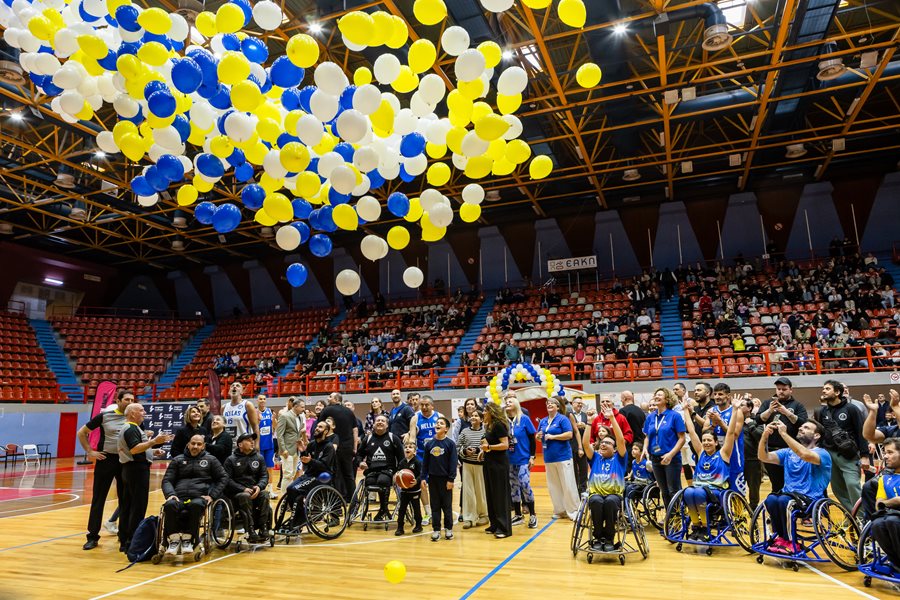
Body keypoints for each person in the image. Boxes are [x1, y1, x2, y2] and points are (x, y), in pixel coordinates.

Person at [758, 419, 831, 554]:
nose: (801, 428)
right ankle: (780, 538)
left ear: (816, 435)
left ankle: (791, 542)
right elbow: (764, 457)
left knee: (785, 501)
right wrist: (765, 435)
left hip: (810, 499)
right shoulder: (788, 452)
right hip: (789, 495)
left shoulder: (823, 453)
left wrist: (784, 434)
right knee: (771, 499)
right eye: (801, 427)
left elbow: (804, 455)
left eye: (806, 428)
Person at [680, 394, 745, 541]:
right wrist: (685, 411)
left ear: (716, 442)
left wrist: (735, 410)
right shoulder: (700, 452)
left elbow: (730, 433)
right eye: (704, 440)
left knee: (698, 493)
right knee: (688, 492)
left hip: (716, 492)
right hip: (699, 488)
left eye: (709, 440)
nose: (706, 443)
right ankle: (696, 526)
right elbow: (691, 430)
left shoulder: (724, 453)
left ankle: (705, 527)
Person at [77, 389, 133, 550]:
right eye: (127, 400)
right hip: (106, 460)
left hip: (125, 461)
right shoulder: (105, 416)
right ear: (118, 400)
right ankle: (92, 537)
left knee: (125, 500)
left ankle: (124, 537)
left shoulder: (133, 417)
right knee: (98, 499)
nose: (130, 402)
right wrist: (90, 451)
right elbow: (82, 432)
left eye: (132, 400)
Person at [118, 403, 172, 552]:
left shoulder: (133, 428)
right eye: (141, 410)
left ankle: (125, 540)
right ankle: (132, 542)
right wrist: (154, 441)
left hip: (131, 469)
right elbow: (134, 449)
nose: (144, 412)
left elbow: (136, 449)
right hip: (136, 470)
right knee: (138, 506)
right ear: (132, 413)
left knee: (129, 505)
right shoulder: (131, 429)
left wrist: (152, 452)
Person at [160, 434, 227, 555]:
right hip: (179, 497)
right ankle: (174, 540)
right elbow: (167, 480)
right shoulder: (177, 460)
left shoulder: (211, 460)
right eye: (193, 443)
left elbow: (223, 478)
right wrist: (170, 494)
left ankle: (189, 539)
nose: (195, 446)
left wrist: (212, 495)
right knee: (169, 505)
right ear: (188, 445)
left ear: (203, 446)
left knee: (195, 505)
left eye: (199, 444)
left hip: (199, 497)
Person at [580, 400, 627, 552]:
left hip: (614, 495)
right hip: (596, 494)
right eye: (602, 442)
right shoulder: (595, 458)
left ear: (615, 448)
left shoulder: (619, 458)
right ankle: (598, 537)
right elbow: (585, 444)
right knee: (595, 501)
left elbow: (621, 440)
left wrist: (612, 418)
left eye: (608, 442)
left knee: (610, 502)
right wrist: (589, 422)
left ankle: (609, 538)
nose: (603, 444)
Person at [814, 380, 865, 512]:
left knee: (852, 485)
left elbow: (861, 431)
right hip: (829, 455)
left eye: (827, 389)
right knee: (838, 490)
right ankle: (852, 515)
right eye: (823, 388)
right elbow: (820, 434)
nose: (824, 391)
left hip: (848, 455)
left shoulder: (851, 409)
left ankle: (862, 518)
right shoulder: (822, 411)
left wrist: (865, 455)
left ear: (837, 392)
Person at [756, 377, 808, 493]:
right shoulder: (767, 403)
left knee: (793, 482)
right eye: (778, 389)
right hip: (772, 450)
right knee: (776, 484)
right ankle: (777, 503)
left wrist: (787, 412)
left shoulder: (797, 405)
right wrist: (769, 410)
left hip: (792, 450)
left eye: (784, 389)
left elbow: (803, 423)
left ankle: (792, 503)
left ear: (791, 390)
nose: (781, 391)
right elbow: (758, 420)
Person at [284, 420, 336, 530]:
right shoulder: (312, 444)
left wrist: (310, 461)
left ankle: (299, 519)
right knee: (289, 489)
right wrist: (302, 451)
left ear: (326, 431)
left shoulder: (329, 446)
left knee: (295, 490)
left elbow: (324, 466)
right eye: (317, 426)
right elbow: (305, 461)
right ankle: (300, 516)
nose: (317, 428)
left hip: (321, 477)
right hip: (309, 474)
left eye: (320, 427)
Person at [641, 387, 686, 510]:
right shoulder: (650, 417)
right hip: (655, 458)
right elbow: (647, 436)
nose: (656, 396)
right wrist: (645, 448)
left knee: (673, 490)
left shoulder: (674, 416)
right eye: (656, 394)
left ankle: (679, 516)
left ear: (667, 399)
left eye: (660, 395)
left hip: (671, 459)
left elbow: (682, 439)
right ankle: (670, 517)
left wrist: (670, 454)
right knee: (664, 491)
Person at [537, 396, 580, 520]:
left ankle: (573, 510)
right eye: (548, 403)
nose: (549, 405)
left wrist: (553, 437)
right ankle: (560, 510)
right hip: (549, 457)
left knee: (568, 485)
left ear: (557, 407)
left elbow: (569, 434)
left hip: (563, 457)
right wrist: (538, 436)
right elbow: (539, 436)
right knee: (554, 486)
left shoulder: (563, 419)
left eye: (552, 403)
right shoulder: (543, 421)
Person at [224, 432, 271, 543]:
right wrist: (242, 489)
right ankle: (250, 529)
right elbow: (227, 480)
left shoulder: (259, 458)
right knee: (245, 496)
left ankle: (263, 527)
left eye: (252, 440)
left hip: (254, 490)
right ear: (240, 444)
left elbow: (264, 476)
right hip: (237, 493)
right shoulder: (231, 460)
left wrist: (259, 486)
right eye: (248, 440)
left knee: (265, 494)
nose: (252, 442)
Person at [357, 414, 405, 521]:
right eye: (377, 420)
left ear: (387, 425)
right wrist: (360, 463)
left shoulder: (393, 438)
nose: (379, 422)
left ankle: (383, 509)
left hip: (388, 470)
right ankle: (373, 509)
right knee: (369, 482)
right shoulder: (368, 438)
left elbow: (401, 458)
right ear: (374, 424)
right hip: (372, 471)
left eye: (382, 421)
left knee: (382, 481)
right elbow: (359, 454)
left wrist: (398, 472)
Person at [704, 383, 747, 496]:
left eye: (720, 394)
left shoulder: (737, 411)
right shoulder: (711, 410)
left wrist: (720, 421)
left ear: (728, 396)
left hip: (733, 456)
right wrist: (713, 425)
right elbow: (705, 432)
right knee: (717, 490)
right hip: (716, 456)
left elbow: (735, 435)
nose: (717, 397)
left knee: (736, 492)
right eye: (715, 394)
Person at [317, 392, 359, 501]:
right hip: (348, 446)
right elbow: (355, 430)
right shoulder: (349, 411)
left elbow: (320, 427)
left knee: (336, 474)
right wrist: (355, 447)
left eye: (330, 397)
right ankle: (353, 499)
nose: (328, 398)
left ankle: (337, 499)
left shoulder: (327, 410)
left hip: (332, 445)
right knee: (349, 474)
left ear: (336, 399)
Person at [505, 394, 538, 528]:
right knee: (513, 487)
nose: (507, 403)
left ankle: (533, 515)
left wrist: (532, 456)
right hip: (510, 459)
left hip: (523, 458)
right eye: (506, 402)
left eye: (510, 401)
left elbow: (532, 439)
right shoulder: (504, 421)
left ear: (516, 404)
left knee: (524, 484)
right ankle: (518, 515)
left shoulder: (524, 419)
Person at [422, 416, 457, 542]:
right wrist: (423, 477)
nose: (438, 425)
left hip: (446, 480)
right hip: (433, 479)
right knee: (435, 506)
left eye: (441, 423)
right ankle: (436, 530)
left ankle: (448, 529)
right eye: (437, 423)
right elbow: (425, 463)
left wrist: (451, 479)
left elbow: (453, 463)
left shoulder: (450, 444)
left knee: (446, 506)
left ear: (446, 429)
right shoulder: (429, 444)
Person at [481, 401, 512, 538]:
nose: (483, 413)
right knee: (491, 494)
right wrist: (483, 451)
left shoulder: (499, 425)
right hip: (489, 463)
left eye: (485, 411)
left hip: (499, 464)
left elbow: (505, 445)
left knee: (499, 496)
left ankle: (504, 528)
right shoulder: (489, 426)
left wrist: (489, 448)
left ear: (491, 412)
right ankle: (494, 524)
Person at [408, 395, 440, 523]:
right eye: (422, 405)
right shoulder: (415, 418)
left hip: (437, 456)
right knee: (422, 484)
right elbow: (412, 436)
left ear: (432, 406)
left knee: (436, 486)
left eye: (427, 405)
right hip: (421, 456)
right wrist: (411, 448)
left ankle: (436, 511)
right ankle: (428, 512)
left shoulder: (439, 416)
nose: (424, 407)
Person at [869, 438, 900, 571]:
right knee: (878, 524)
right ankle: (896, 563)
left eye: (890, 452)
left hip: (895, 518)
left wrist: (887, 503)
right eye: (885, 453)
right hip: (892, 515)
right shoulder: (884, 479)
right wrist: (894, 501)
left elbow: (884, 503)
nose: (885, 456)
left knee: (892, 521)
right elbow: (878, 504)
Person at [456, 409, 488, 529]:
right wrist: (465, 451)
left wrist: (479, 450)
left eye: (476, 416)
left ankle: (483, 515)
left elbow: (487, 447)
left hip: (481, 466)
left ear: (481, 419)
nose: (473, 417)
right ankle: (469, 517)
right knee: (468, 492)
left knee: (481, 491)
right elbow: (457, 446)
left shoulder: (485, 431)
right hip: (467, 465)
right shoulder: (464, 431)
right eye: (472, 415)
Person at [394, 441, 424, 536]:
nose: (407, 448)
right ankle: (400, 527)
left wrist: (416, 481)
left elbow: (421, 474)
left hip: (415, 490)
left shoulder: (417, 462)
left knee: (416, 508)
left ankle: (418, 525)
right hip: (404, 491)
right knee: (402, 509)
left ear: (415, 451)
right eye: (406, 447)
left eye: (410, 447)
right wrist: (396, 477)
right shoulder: (402, 462)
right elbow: (398, 473)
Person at [276, 397, 305, 492]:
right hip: (287, 450)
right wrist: (283, 449)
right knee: (287, 475)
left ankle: (289, 497)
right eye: (302, 407)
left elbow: (297, 433)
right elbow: (279, 435)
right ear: (295, 406)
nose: (304, 409)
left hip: (296, 450)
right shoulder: (284, 416)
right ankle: (284, 498)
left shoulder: (301, 417)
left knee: (292, 475)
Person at [222, 382, 260, 449]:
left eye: (238, 386)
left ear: (242, 392)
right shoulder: (223, 407)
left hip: (244, 445)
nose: (234, 387)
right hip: (228, 445)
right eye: (232, 386)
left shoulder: (247, 405)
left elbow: (255, 426)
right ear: (229, 391)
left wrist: (256, 445)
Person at [255, 395, 277, 498]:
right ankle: (260, 489)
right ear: (257, 401)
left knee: (270, 468)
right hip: (259, 445)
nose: (262, 400)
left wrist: (274, 420)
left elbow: (275, 427)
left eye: (264, 399)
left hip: (269, 445)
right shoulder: (254, 412)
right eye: (260, 399)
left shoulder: (269, 411)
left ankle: (271, 490)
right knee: (258, 469)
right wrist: (258, 421)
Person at [570, 398, 591, 495]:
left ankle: (583, 489)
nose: (580, 405)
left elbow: (590, 428)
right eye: (578, 403)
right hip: (571, 445)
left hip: (583, 445)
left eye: (581, 403)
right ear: (572, 403)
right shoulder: (568, 415)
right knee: (573, 469)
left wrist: (585, 426)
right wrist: (574, 426)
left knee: (583, 469)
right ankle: (575, 489)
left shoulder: (585, 415)